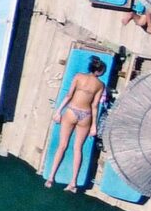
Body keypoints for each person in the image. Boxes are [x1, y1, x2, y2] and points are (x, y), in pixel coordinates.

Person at [45, 57, 106, 190]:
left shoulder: (78, 76)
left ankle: (50, 177)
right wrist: (94, 126)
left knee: (62, 146)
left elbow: (68, 95)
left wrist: (58, 111)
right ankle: (73, 182)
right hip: (86, 115)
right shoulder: (100, 85)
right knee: (77, 149)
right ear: (99, 71)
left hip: (72, 111)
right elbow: (95, 105)